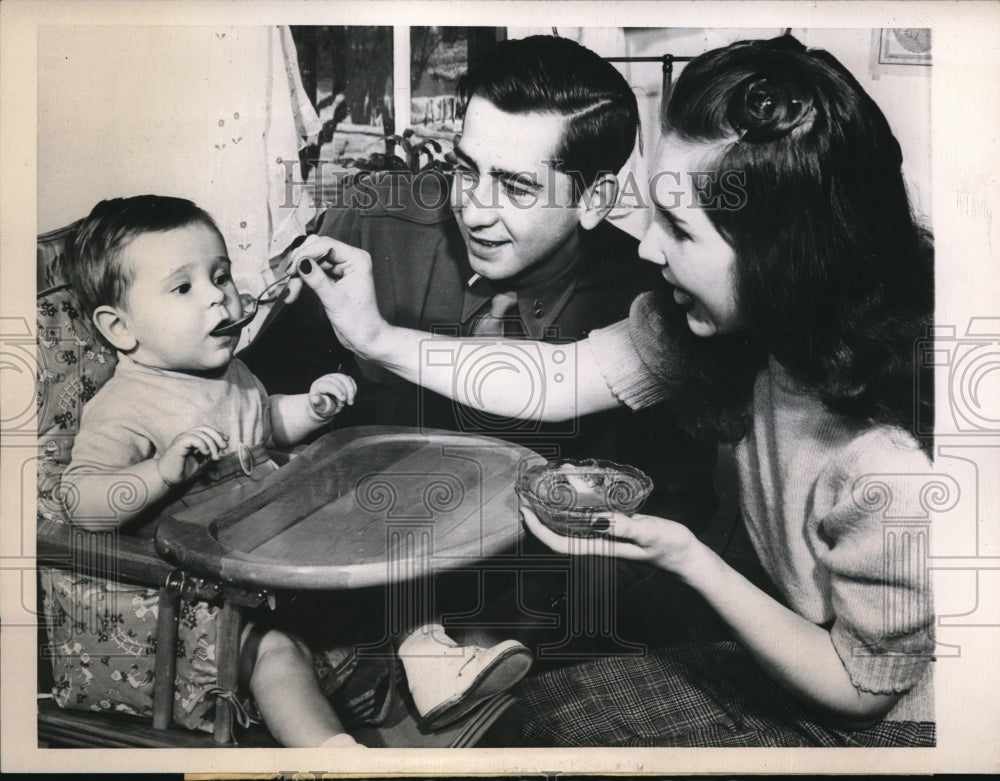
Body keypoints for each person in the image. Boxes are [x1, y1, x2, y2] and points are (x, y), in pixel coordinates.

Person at [283, 34, 936, 745]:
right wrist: (375, 336)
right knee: (535, 726)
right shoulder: (736, 329)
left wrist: (685, 556)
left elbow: (861, 690)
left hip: (906, 726)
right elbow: (558, 380)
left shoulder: (892, 459)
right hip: (793, 650)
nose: (650, 250)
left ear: (782, 254)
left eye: (680, 231)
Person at [241, 34, 720, 661]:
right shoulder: (371, 226)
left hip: (530, 626)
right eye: (466, 169)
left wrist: (494, 636)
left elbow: (666, 517)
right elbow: (255, 405)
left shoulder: (652, 300)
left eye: (517, 187)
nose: (473, 209)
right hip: (342, 591)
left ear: (595, 200)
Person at [55, 194, 363, 747]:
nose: (219, 297)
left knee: (377, 563)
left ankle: (435, 660)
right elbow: (81, 500)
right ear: (120, 328)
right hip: (202, 601)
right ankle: (336, 755)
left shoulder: (231, 372)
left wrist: (311, 408)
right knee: (274, 651)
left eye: (221, 275)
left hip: (267, 555)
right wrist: (159, 473)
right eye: (184, 288)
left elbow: (262, 423)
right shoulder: (125, 406)